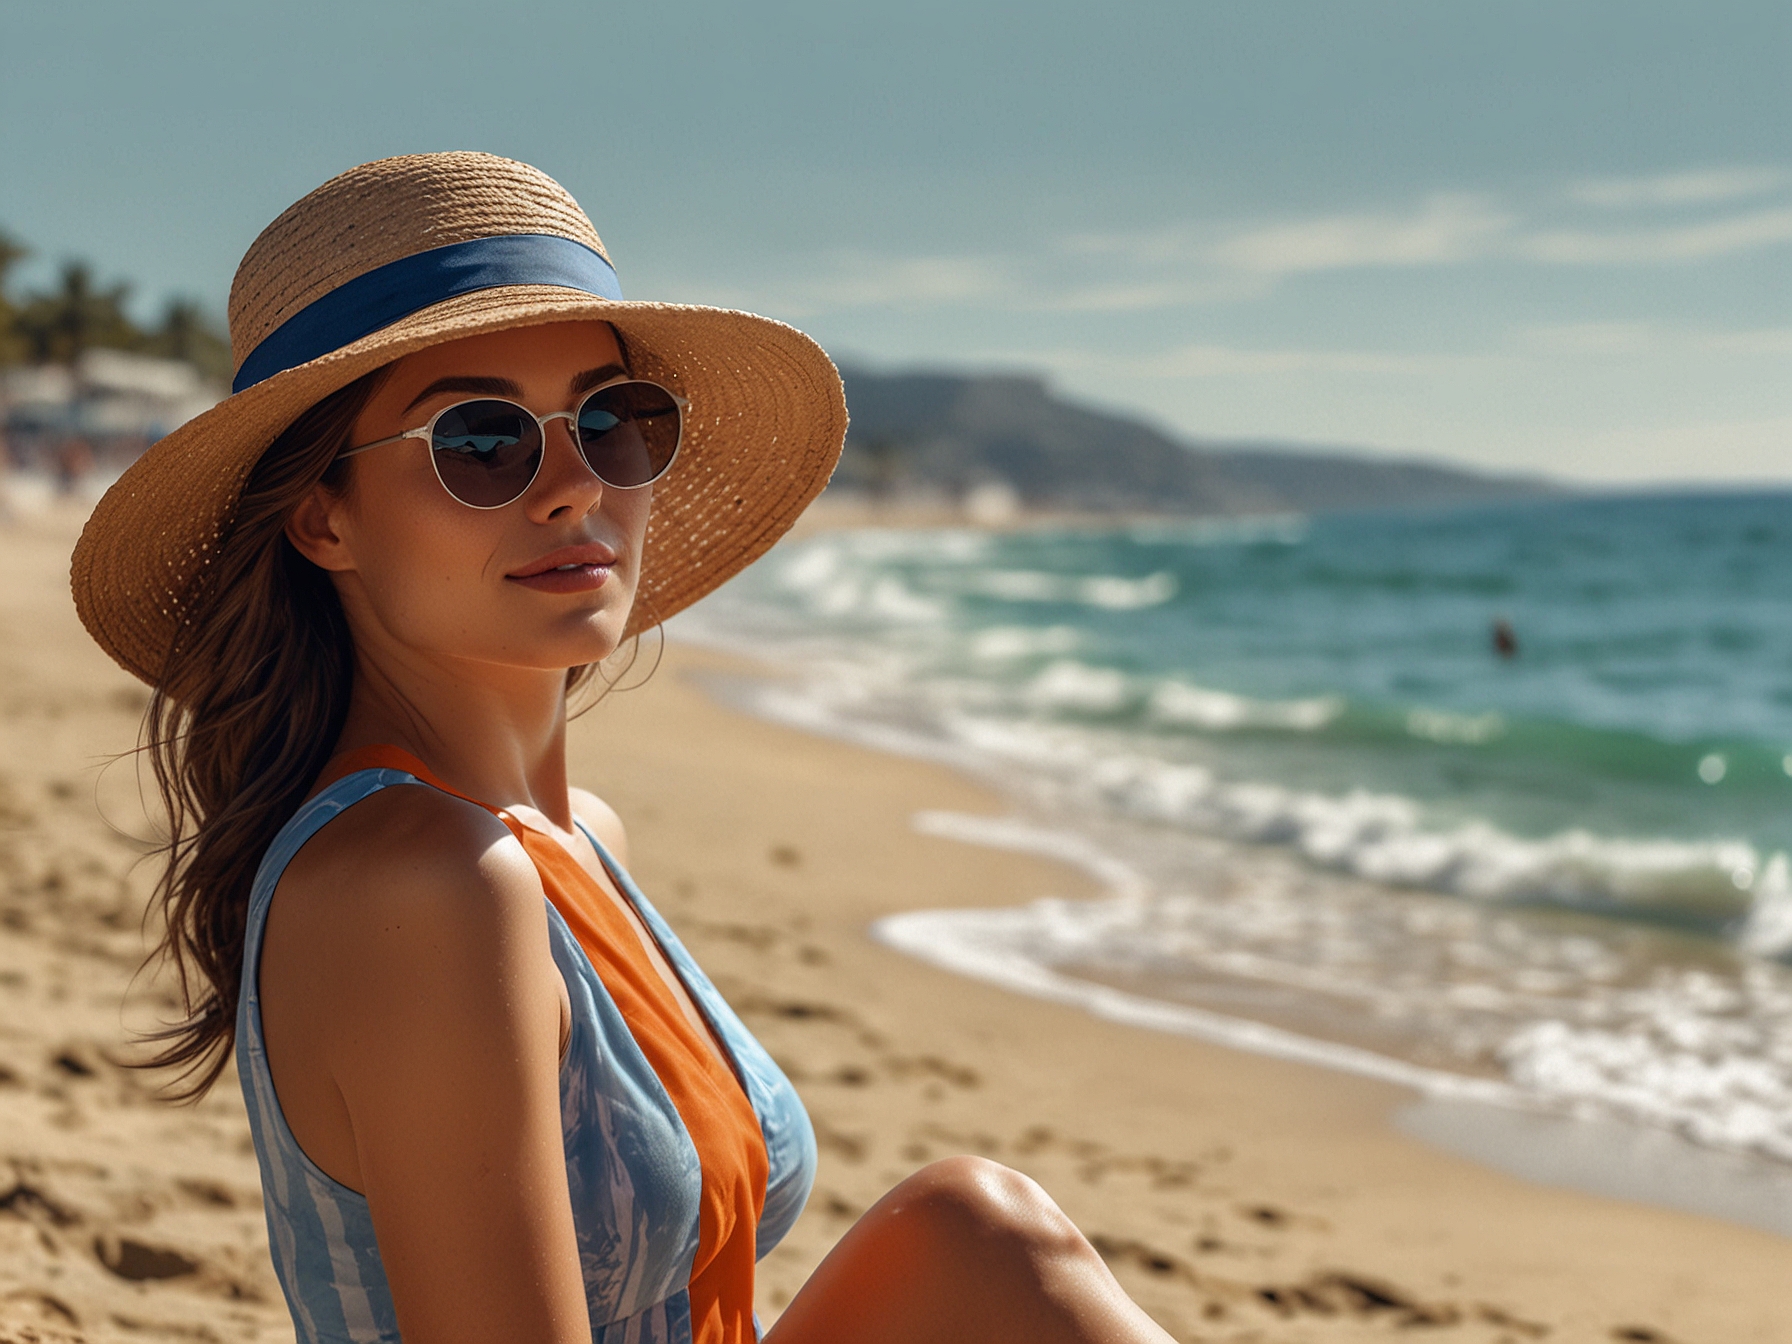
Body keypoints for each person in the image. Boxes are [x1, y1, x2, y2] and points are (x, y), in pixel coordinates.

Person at [71, 154, 1172, 1344]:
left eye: (612, 421)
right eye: (482, 442)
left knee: (977, 1230)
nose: (572, 486)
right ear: (323, 516)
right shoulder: (429, 883)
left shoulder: (573, 838)